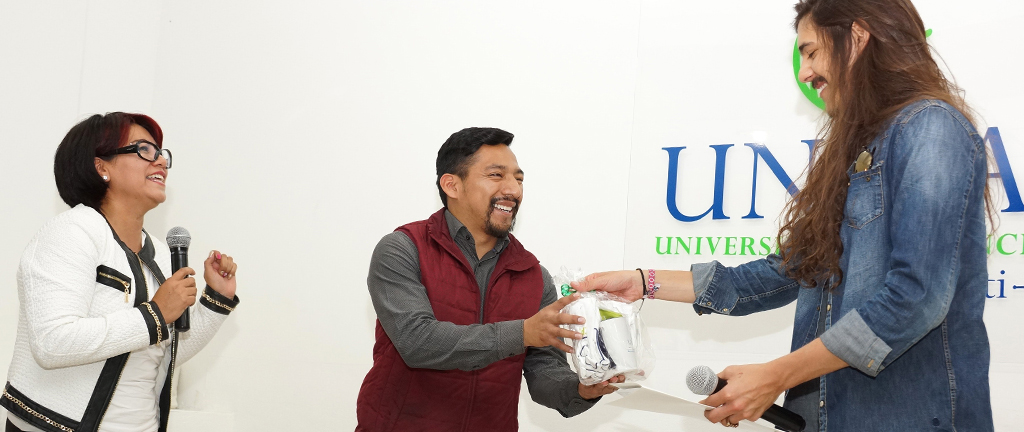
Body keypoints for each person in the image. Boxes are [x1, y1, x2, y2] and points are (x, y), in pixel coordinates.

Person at [574, 0, 994, 430]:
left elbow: (916, 297)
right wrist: (644, 282)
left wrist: (776, 375)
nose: (804, 73)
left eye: (811, 52)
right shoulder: (851, 152)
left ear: (857, 37)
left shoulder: (931, 128)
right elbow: (781, 274)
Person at [355, 127, 621, 432]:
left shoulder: (533, 276)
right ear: (452, 185)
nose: (514, 190)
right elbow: (417, 341)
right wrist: (521, 333)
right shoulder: (403, 248)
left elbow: (545, 372)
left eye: (519, 179)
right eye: (496, 175)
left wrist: (582, 389)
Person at [2, 113, 241, 432]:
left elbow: (160, 354)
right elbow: (52, 342)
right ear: (101, 167)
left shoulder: (160, 253)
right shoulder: (71, 233)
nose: (160, 161)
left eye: (161, 153)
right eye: (144, 150)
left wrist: (216, 301)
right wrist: (155, 314)